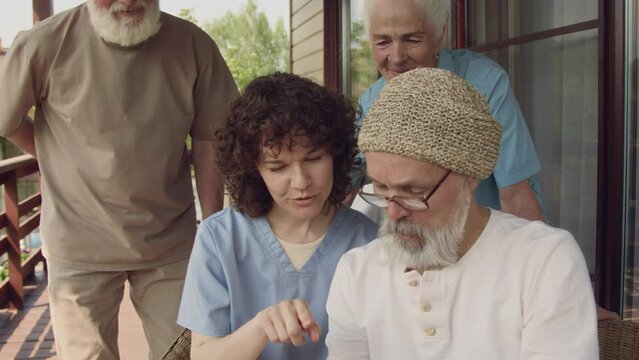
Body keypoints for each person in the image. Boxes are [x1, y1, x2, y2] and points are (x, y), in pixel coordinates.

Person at [0, 1, 238, 359]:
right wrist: (53, 153)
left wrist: (213, 230)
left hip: (170, 240)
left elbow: (209, 144)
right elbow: (6, 120)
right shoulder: (44, 43)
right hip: (78, 242)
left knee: (184, 353)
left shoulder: (194, 45)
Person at [325, 67, 598, 359]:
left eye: (413, 191)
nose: (393, 212)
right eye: (380, 187)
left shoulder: (543, 261)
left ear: (470, 176)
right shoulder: (356, 273)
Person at [176, 72, 379, 360]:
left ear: (337, 155)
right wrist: (261, 327)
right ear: (252, 170)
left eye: (313, 159)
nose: (300, 182)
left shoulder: (369, 241)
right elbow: (203, 354)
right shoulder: (219, 239)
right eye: (278, 167)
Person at [351, 0, 543, 222]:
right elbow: (345, 184)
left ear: (441, 33)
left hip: (480, 239)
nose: (396, 57)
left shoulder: (485, 85)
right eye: (382, 42)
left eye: (412, 40)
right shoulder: (370, 102)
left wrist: (529, 255)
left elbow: (516, 195)